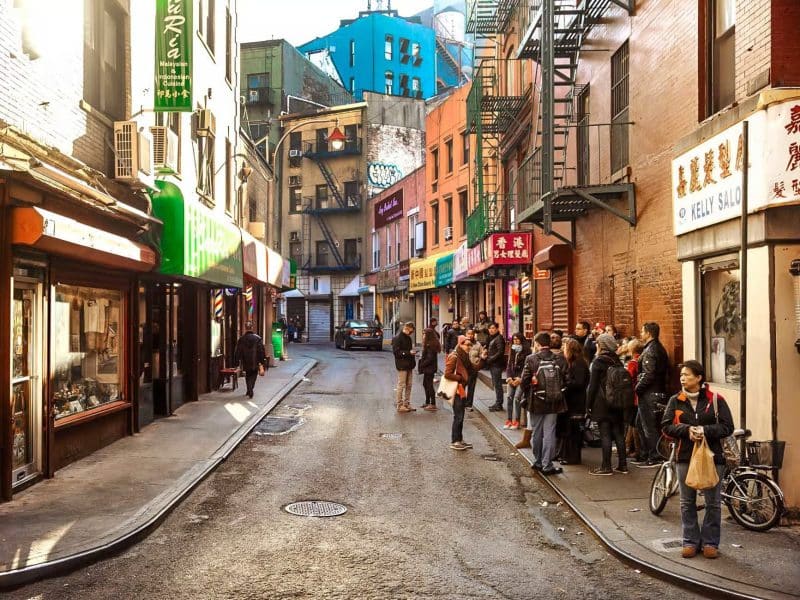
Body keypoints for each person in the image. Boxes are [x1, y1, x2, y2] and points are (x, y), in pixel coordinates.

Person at [663, 360, 734, 559]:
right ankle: (690, 541)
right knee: (687, 501)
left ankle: (710, 542)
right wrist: (686, 430)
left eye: (686, 374)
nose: (682, 378)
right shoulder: (675, 400)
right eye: (681, 375)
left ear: (699, 377)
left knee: (713, 502)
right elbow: (666, 426)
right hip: (685, 456)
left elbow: (727, 427)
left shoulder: (716, 400)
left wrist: (705, 430)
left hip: (713, 457)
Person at [521, 332, 568, 475]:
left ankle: (538, 461)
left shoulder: (531, 359)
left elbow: (524, 381)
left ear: (537, 344)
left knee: (537, 432)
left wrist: (529, 392)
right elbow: (567, 380)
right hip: (554, 401)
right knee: (549, 433)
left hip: (536, 401)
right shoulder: (560, 359)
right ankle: (548, 465)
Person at [585, 333, 632, 475]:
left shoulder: (598, 362)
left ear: (602, 345)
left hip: (602, 402)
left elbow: (593, 386)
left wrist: (588, 404)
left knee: (605, 433)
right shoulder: (617, 360)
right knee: (618, 433)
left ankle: (606, 466)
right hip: (618, 402)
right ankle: (623, 465)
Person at [633, 321, 671, 467]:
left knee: (649, 426)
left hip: (650, 393)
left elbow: (648, 374)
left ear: (649, 333)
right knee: (641, 423)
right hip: (656, 392)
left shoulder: (651, 350)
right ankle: (647, 454)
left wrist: (638, 388)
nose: (641, 334)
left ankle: (654, 456)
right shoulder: (657, 348)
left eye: (642, 331)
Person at [444, 335, 485, 450]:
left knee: (460, 415)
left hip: (461, 389)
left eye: (470, 345)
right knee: (458, 416)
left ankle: (459, 439)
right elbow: (447, 374)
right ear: (460, 345)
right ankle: (455, 441)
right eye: (467, 345)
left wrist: (482, 359)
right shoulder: (454, 357)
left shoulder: (464, 357)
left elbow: (473, 369)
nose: (469, 347)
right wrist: (460, 378)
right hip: (455, 389)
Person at [561, 337, 589, 465]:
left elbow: (578, 383)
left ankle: (573, 457)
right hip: (574, 400)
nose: (563, 350)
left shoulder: (578, 364)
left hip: (576, 401)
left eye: (565, 348)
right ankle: (568, 455)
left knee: (574, 431)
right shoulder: (575, 362)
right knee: (571, 430)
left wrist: (565, 385)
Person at [234, 321, 268, 399]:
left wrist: (237, 361)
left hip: (245, 361)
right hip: (255, 360)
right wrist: (262, 361)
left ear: (245, 328)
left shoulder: (241, 339)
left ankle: (249, 389)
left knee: (248, 375)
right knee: (254, 375)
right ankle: (250, 388)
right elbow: (261, 350)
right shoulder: (257, 338)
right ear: (252, 327)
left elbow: (238, 351)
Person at [504, 333, 530, 430]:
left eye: (517, 339)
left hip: (521, 379)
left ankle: (517, 421)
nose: (516, 341)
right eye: (514, 339)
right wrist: (509, 377)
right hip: (511, 378)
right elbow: (508, 365)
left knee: (517, 398)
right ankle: (509, 420)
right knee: (509, 397)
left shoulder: (527, 352)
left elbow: (526, 367)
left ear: (521, 340)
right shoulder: (512, 350)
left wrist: (520, 378)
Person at [624, 338, 644, 459]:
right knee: (633, 422)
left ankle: (634, 449)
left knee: (633, 422)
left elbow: (629, 377)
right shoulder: (641, 360)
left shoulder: (632, 362)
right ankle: (630, 447)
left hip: (633, 395)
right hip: (639, 395)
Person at [392, 322, 417, 413]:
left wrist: (411, 353)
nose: (411, 332)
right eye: (411, 331)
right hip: (402, 364)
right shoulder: (397, 338)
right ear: (407, 328)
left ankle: (406, 403)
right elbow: (396, 352)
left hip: (409, 364)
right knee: (401, 384)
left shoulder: (408, 338)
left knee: (409, 385)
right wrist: (408, 353)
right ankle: (399, 405)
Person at [417, 327, 441, 411]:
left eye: (424, 334)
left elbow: (430, 358)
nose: (423, 336)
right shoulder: (429, 343)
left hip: (429, 368)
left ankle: (433, 403)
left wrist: (422, 364)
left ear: (428, 335)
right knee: (425, 384)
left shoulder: (430, 345)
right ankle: (427, 402)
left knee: (429, 385)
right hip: (429, 367)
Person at [464, 328, 487, 411]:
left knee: (471, 387)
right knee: (462, 386)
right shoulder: (462, 343)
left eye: (472, 334)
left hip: (473, 368)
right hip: (463, 368)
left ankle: (468, 404)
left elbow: (481, 355)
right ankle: (461, 402)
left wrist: (483, 356)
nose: (470, 335)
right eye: (469, 333)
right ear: (466, 334)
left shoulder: (478, 344)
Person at [486, 322, 506, 411]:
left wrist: (491, 359)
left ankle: (499, 404)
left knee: (497, 384)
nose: (491, 330)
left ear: (497, 329)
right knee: (496, 384)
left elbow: (500, 352)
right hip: (493, 364)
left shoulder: (499, 338)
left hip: (497, 365)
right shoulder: (492, 338)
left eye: (493, 328)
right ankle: (498, 402)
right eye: (490, 328)